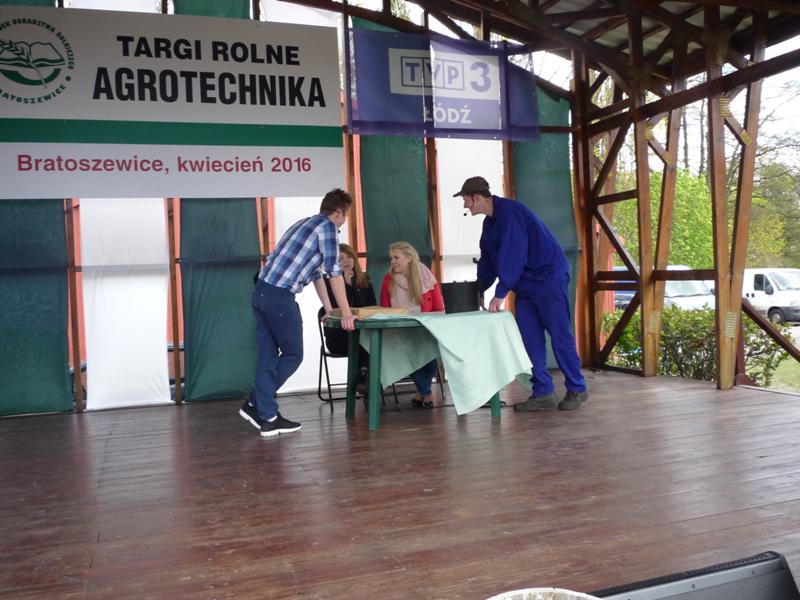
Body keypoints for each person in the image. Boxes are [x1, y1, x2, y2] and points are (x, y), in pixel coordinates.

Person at [453, 176, 588, 411]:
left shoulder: (511, 213)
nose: (465, 205)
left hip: (548, 278)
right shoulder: (489, 224)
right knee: (529, 338)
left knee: (559, 335)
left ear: (477, 197)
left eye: (466, 199)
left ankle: (577, 388)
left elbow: (514, 254)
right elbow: (488, 260)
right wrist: (478, 289)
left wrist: (500, 292)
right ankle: (543, 392)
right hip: (525, 286)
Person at [240, 189, 357, 437]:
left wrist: (329, 308)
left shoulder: (304, 224)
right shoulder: (327, 228)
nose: (345, 221)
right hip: (280, 297)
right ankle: (258, 404)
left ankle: (266, 415)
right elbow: (334, 273)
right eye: (346, 216)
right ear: (339, 212)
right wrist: (346, 314)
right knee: (293, 354)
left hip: (261, 292)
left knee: (267, 356)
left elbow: (316, 273)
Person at [379, 241, 445, 408]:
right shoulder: (388, 279)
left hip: (426, 327)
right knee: (407, 353)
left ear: (408, 258)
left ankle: (422, 391)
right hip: (401, 330)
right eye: (391, 258)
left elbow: (439, 306)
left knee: (432, 352)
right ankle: (426, 392)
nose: (392, 261)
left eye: (396, 257)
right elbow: (384, 308)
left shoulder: (427, 277)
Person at [322, 243, 377, 389]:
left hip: (362, 334)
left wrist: (353, 285)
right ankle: (364, 378)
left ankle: (365, 379)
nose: (346, 261)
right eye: (340, 259)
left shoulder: (365, 282)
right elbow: (336, 308)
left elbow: (369, 309)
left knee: (374, 342)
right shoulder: (329, 282)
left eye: (349, 257)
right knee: (365, 344)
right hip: (338, 337)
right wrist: (346, 285)